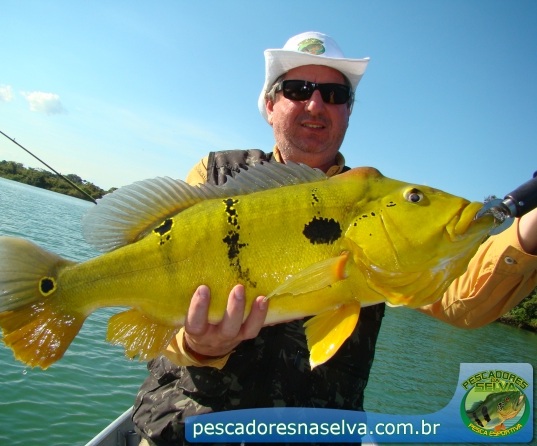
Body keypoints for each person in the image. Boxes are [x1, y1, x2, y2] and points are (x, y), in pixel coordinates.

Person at [132, 31, 537, 445]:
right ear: (270, 105)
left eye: (334, 94)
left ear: (348, 111)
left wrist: (528, 233)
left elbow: (461, 300)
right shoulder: (215, 176)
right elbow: (159, 316)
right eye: (297, 89)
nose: (315, 104)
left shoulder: (377, 209)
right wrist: (199, 345)